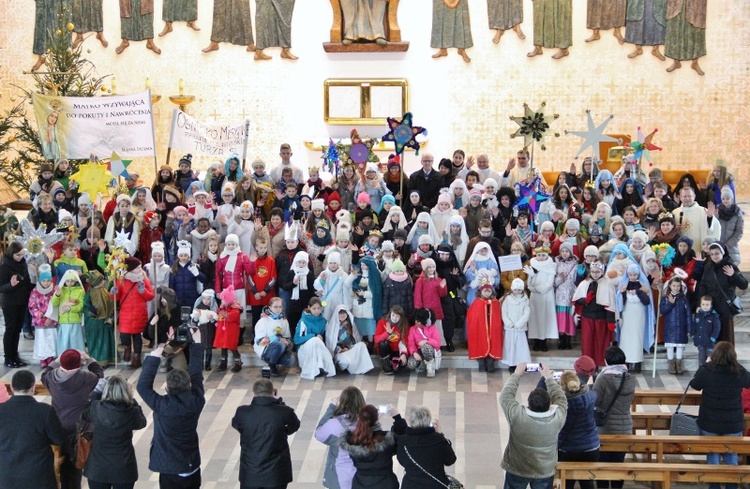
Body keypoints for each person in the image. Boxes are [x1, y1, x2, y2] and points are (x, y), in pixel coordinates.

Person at [137, 329, 205, 489]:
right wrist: (197, 345)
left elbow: (142, 387)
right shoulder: (196, 401)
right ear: (189, 385)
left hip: (168, 465)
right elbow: (196, 374)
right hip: (190, 463)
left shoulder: (162, 406)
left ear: (166, 388)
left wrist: (154, 358)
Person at [689, 342, 750, 489]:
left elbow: (694, 384)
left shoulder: (707, 370)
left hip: (710, 421)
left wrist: (705, 365)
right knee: (731, 456)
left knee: (713, 455)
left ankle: (714, 485)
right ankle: (731, 486)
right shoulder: (739, 371)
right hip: (733, 422)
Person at [42, 349, 105, 489]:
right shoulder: (86, 378)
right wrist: (88, 359)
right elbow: (99, 374)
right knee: (75, 464)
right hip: (80, 427)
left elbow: (44, 373)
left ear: (61, 363)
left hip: (58, 427)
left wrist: (56, 361)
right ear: (79, 364)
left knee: (61, 462)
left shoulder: (50, 378)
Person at [500, 362, 568, 489]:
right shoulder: (557, 417)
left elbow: (505, 397)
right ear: (549, 404)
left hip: (517, 467)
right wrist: (549, 378)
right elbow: (561, 398)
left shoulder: (517, 415)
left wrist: (516, 375)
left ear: (528, 403)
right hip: (544, 469)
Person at [0, 370, 65, 489]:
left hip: (7, 475)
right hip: (39, 476)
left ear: (12, 388)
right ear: (33, 387)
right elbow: (58, 440)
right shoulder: (45, 411)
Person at [232, 379, 301, 489]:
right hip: (276, 474)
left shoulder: (242, 412)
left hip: (250, 473)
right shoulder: (285, 412)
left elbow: (237, 426)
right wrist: (279, 404)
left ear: (253, 393)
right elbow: (294, 427)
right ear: (273, 392)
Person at [82, 375, 147, 489]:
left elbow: (84, 412)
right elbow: (142, 423)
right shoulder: (132, 412)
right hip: (124, 469)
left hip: (97, 468)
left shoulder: (96, 408)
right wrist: (131, 400)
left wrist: (97, 392)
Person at [591, 345, 636, 489]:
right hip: (625, 426)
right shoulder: (630, 378)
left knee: (603, 464)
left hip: (605, 426)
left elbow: (595, 400)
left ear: (606, 361)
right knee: (618, 464)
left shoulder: (603, 378)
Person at [339, 404, 407, 489]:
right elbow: (403, 438)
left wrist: (374, 422)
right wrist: (397, 417)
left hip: (360, 484)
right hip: (385, 484)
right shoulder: (386, 440)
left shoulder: (351, 440)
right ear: (376, 421)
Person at [553, 371, 600, 489]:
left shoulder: (561, 405)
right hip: (590, 446)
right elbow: (590, 389)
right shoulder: (591, 397)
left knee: (567, 483)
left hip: (568, 449)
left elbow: (561, 430)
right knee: (587, 482)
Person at [315, 386, 367, 489]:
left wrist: (331, 407)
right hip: (363, 476)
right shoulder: (368, 424)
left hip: (340, 476)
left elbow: (319, 434)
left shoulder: (334, 424)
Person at [697, 243, 747, 345]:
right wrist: (700, 304)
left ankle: (727, 359)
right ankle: (715, 359)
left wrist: (733, 275)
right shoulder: (708, 267)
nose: (715, 256)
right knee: (713, 336)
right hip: (712, 308)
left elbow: (744, 285)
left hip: (725, 308)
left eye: (717, 253)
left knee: (726, 337)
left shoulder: (730, 266)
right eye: (712, 254)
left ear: (722, 253)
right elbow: (703, 286)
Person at [396, 405, 457, 488]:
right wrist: (439, 434)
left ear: (411, 421)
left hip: (411, 484)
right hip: (436, 485)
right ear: (428, 421)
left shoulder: (403, 442)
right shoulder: (439, 440)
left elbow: (402, 461)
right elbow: (450, 460)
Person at [0, 241, 34, 368]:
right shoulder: (4, 266)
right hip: (10, 303)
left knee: (17, 330)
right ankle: (8, 358)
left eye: (22, 255)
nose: (21, 257)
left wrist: (39, 286)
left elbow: (27, 282)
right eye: (18, 255)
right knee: (11, 329)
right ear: (11, 253)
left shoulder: (23, 264)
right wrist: (11, 285)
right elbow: (1, 287)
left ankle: (15, 355)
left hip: (22, 301)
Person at [691, 295, 721, 366]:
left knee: (710, 359)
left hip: (710, 342)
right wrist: (693, 335)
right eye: (703, 304)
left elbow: (717, 327)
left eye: (707, 305)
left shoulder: (714, 316)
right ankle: (701, 372)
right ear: (700, 305)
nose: (705, 306)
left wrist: (713, 337)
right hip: (700, 341)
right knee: (701, 358)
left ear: (711, 306)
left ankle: (709, 373)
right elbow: (694, 325)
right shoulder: (698, 315)